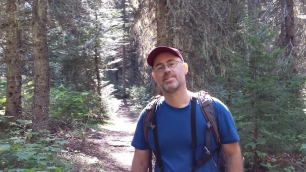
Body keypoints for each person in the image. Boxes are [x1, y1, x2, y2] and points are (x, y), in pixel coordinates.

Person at [131, 46, 243, 172]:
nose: (167, 70)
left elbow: (232, 154)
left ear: (185, 68)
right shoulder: (149, 116)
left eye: (171, 64)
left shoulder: (214, 109)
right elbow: (140, 162)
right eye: (160, 67)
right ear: (155, 76)